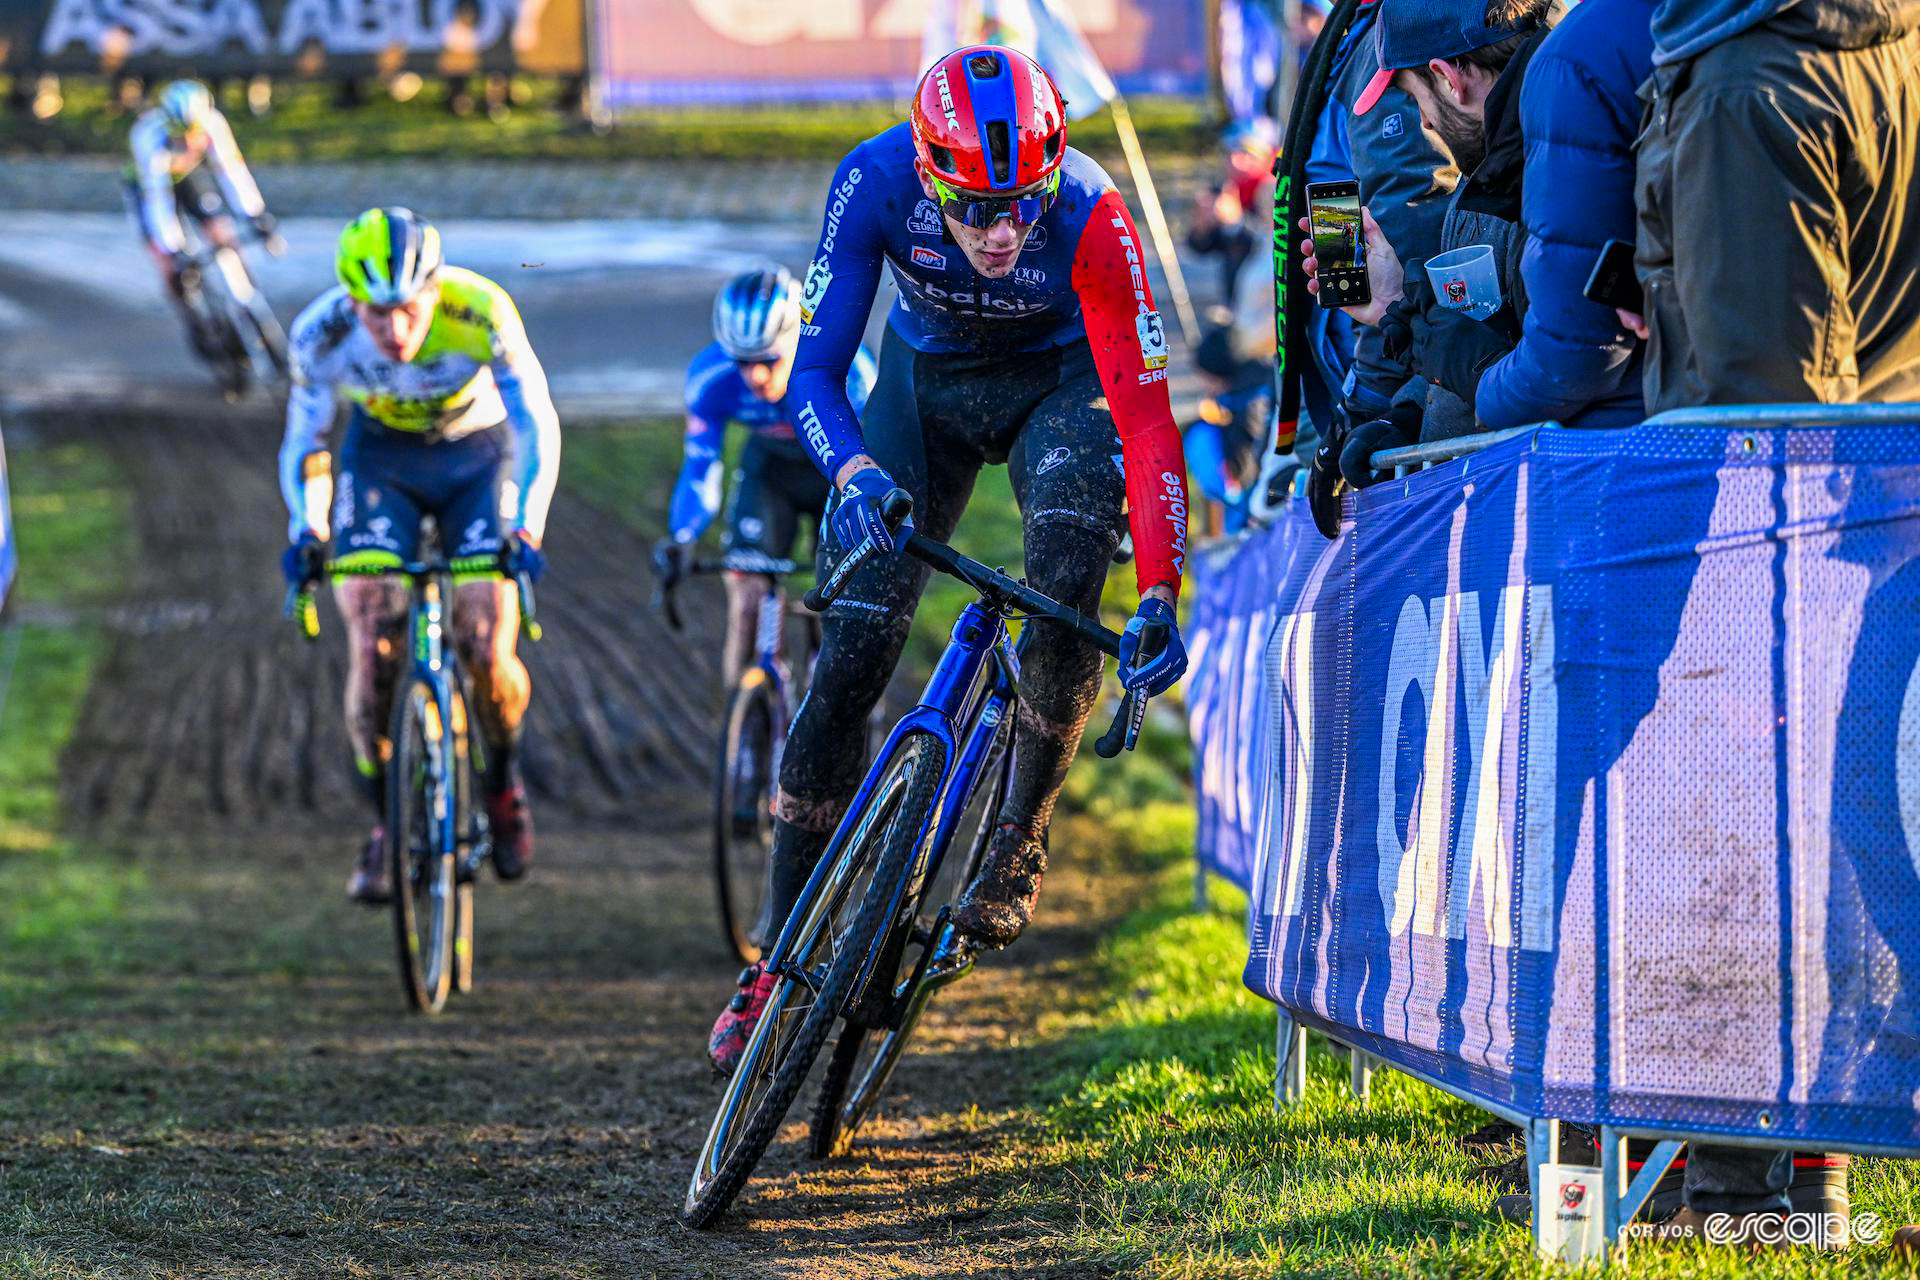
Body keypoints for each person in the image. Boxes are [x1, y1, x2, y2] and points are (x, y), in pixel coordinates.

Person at [706, 45, 1191, 1075]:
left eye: (1024, 202)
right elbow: (817, 376)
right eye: (975, 210)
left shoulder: (1097, 215)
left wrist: (1157, 590)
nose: (1004, 231)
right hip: (921, 394)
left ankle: (1020, 828)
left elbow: (1147, 424)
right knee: (848, 660)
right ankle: (774, 956)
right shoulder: (872, 180)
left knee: (1064, 586)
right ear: (930, 176)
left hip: (1059, 390)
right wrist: (852, 474)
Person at [1629, 0, 1920, 1242]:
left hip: (1789, 545)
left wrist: (1748, 617)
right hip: (1882, 523)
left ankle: (1766, 1189)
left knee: (1768, 856)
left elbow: (1773, 396)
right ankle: (1802, 1170)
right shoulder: (1886, 39)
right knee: (1866, 859)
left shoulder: (1752, 83)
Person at [276, 208, 561, 904]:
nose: (395, 331)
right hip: (382, 462)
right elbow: (307, 441)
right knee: (372, 640)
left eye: (407, 310)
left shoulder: (483, 308)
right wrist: (307, 529)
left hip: (477, 455)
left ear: (434, 292)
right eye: (377, 316)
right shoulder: (321, 336)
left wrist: (525, 526)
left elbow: (533, 421)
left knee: (485, 642)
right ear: (352, 304)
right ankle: (385, 825)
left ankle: (500, 786)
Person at [652, 268, 877, 685]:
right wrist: (682, 535)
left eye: (767, 361)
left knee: (849, 609)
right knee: (746, 598)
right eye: (742, 361)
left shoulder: (852, 370)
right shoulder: (709, 378)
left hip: (837, 474)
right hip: (769, 472)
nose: (754, 376)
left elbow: (877, 456)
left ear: (794, 341)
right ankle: (740, 730)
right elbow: (701, 465)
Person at [125, 79, 282, 365]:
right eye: (179, 137)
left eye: (192, 136)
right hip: (147, 189)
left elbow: (232, 172)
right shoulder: (148, 135)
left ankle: (245, 301)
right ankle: (194, 319)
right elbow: (157, 200)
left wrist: (255, 214)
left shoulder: (213, 124)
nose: (186, 143)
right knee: (167, 262)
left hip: (186, 179)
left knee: (222, 233)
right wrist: (173, 248)